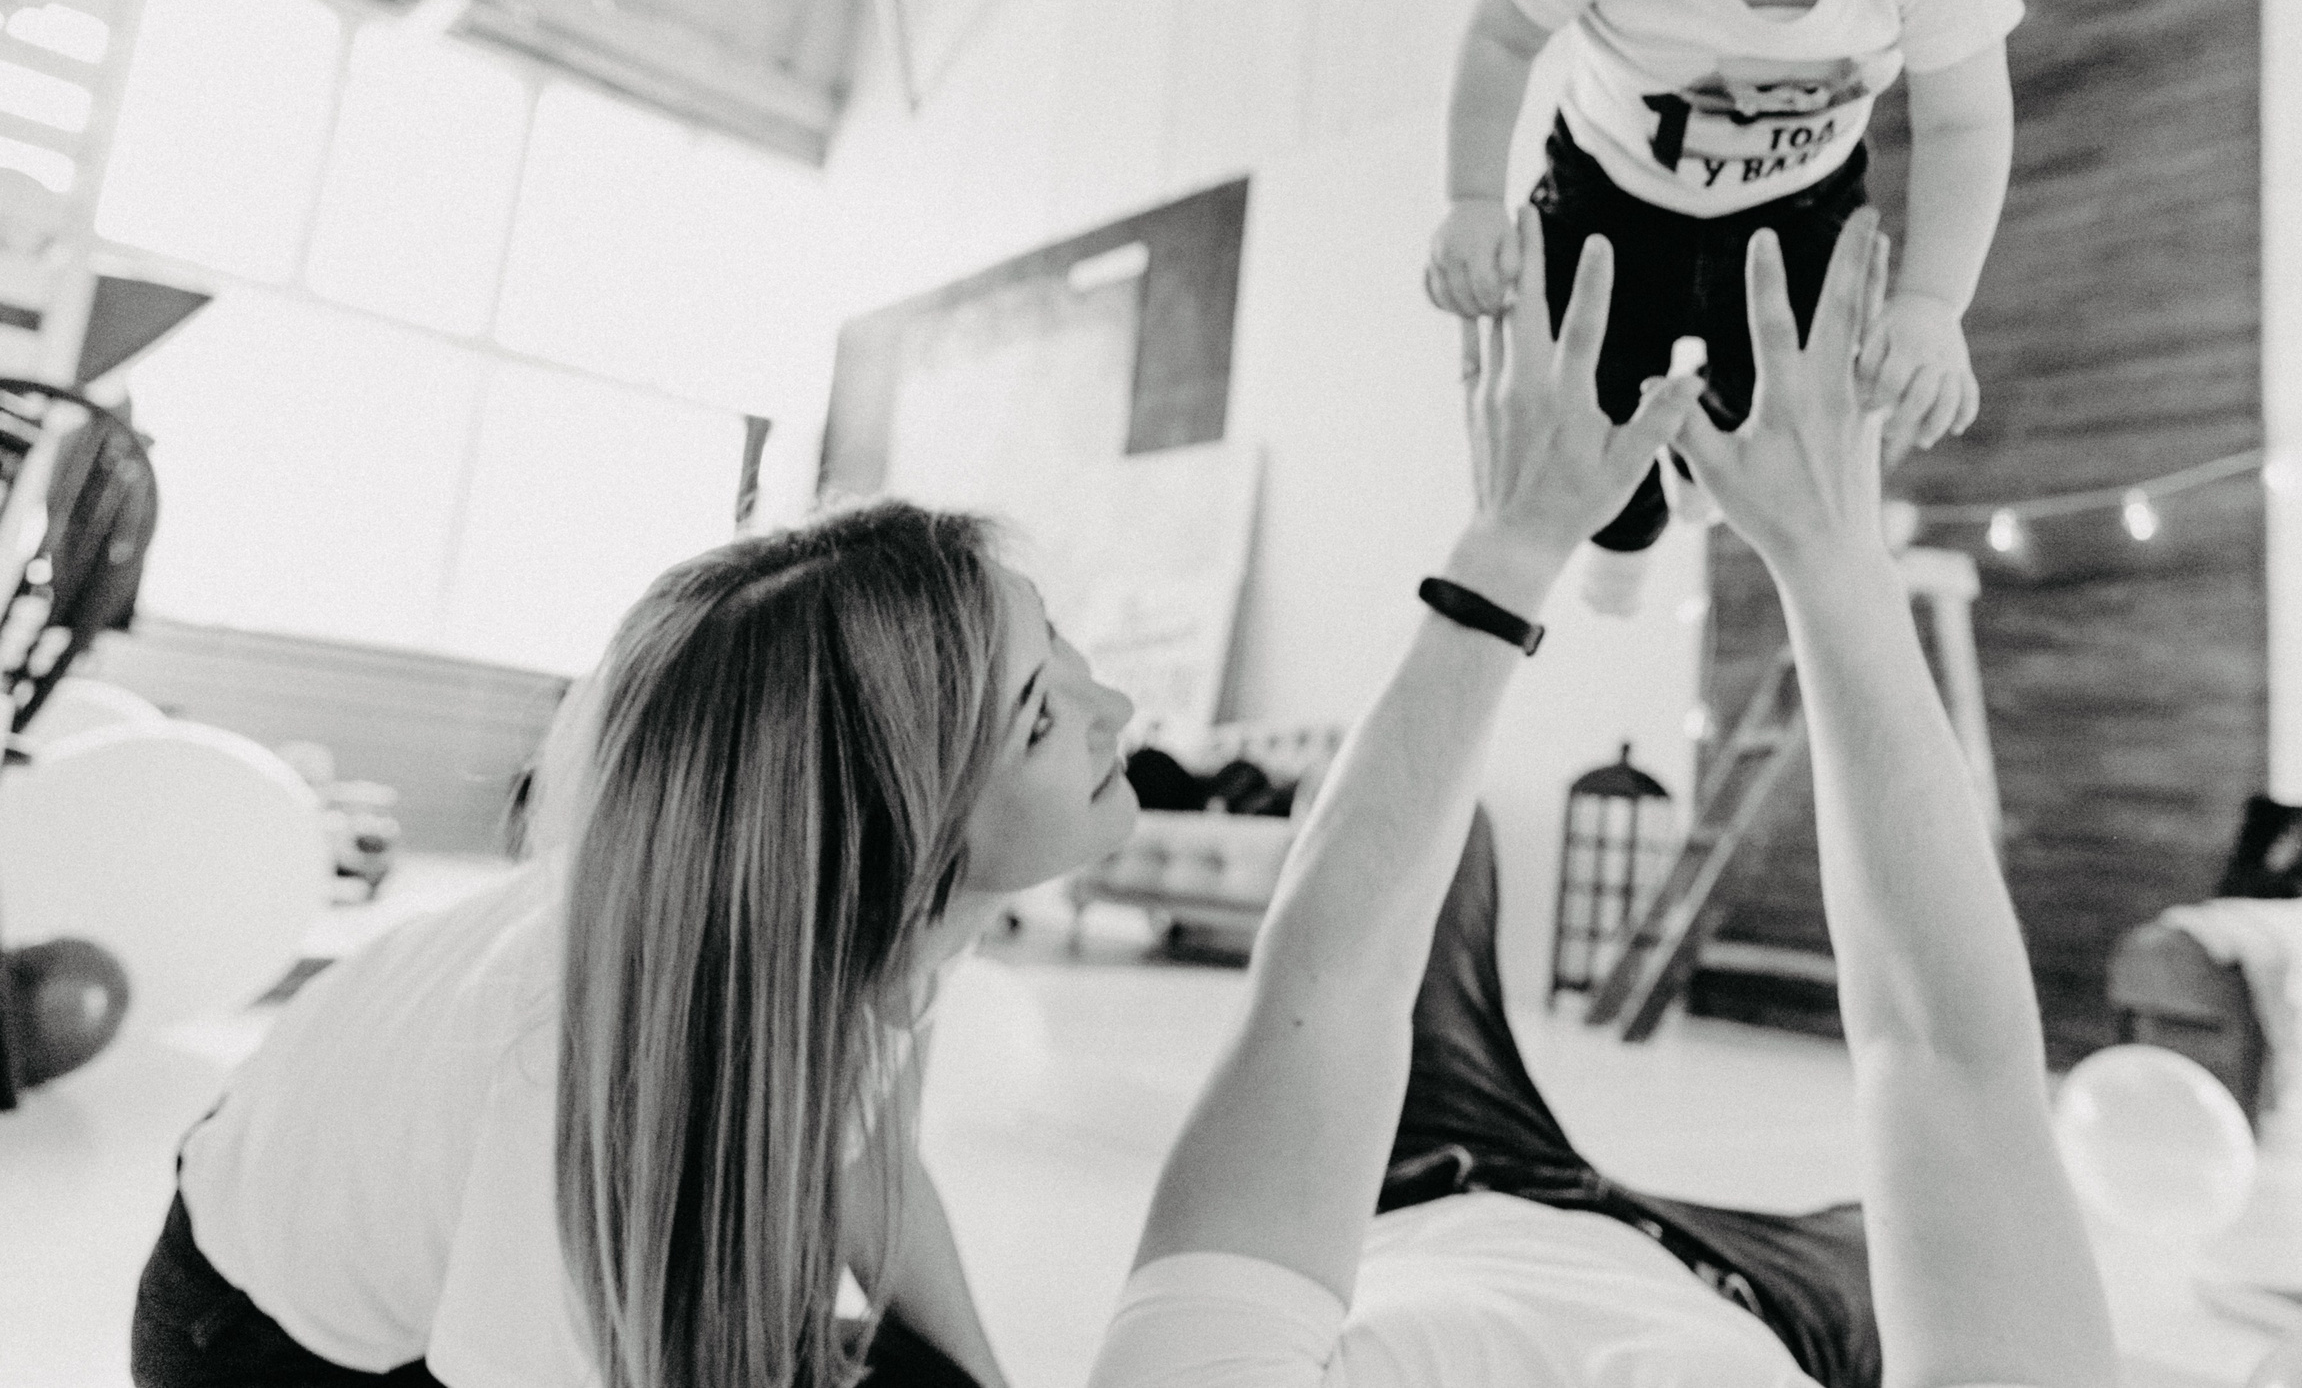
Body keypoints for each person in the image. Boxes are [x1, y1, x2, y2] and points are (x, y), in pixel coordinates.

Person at [1093, 206, 2119, 1386]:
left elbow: (1329, 984)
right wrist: (1832, 556)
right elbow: (1948, 1064)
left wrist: (1514, 543)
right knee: (1919, 1239)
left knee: (1422, 860)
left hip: (1420, 1176)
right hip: (1755, 1295)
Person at [131, 501, 1144, 1388]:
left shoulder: (868, 910)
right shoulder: (612, 1063)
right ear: (889, 824)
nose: (1116, 710)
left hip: (320, 1174)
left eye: (1058, 649)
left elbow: (866, 1150)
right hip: (248, 1339)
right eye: (1039, 722)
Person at [1427, 0, 2021, 615]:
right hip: (1611, 186)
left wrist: (1934, 304)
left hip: (1800, 197)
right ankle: (1626, 533)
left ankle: (1709, 481)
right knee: (1592, 400)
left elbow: (1968, 123)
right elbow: (1502, 35)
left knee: (1795, 408)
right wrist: (1469, 200)